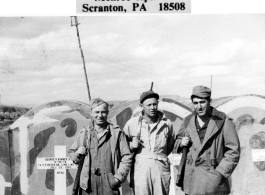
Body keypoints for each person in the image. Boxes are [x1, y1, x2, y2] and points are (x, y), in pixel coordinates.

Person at [175, 86, 240, 195]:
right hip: (192, 180)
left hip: (213, 182)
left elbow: (233, 151)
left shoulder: (223, 121)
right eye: (195, 103)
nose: (199, 107)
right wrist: (181, 143)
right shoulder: (187, 121)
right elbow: (177, 141)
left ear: (209, 101)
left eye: (202, 102)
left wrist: (220, 172)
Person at [68, 98, 132, 195]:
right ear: (91, 113)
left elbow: (127, 156)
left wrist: (118, 178)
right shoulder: (84, 133)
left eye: (103, 112)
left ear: (107, 113)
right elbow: (72, 154)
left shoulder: (117, 133)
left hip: (109, 183)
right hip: (87, 182)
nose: (100, 115)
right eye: (96, 112)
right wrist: (77, 153)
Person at [123, 90, 177, 195]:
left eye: (155, 104)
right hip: (140, 170)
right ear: (141, 106)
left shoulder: (167, 124)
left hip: (161, 169)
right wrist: (131, 145)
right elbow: (122, 146)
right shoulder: (132, 123)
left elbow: (170, 146)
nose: (152, 107)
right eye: (149, 105)